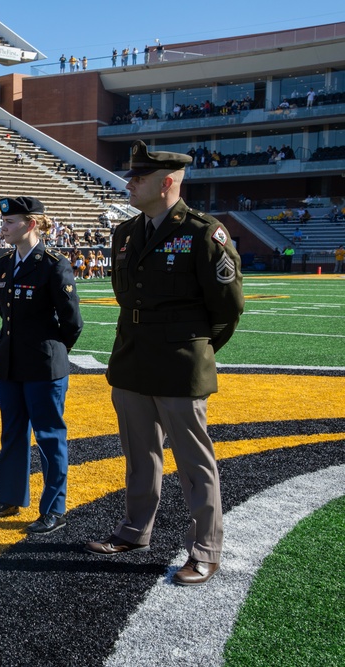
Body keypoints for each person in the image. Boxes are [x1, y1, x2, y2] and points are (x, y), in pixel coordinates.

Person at [85, 141, 244, 587]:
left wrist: (193, 350)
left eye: (139, 177)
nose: (129, 183)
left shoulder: (203, 233)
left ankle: (206, 550)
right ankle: (135, 532)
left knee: (194, 462)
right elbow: (125, 296)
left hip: (179, 364)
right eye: (131, 176)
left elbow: (228, 310)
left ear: (167, 182)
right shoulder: (127, 232)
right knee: (139, 456)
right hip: (134, 358)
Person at [0, 197, 83, 533]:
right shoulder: (6, 263)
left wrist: (51, 350)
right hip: (10, 362)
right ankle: (9, 498)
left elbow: (72, 322)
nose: (2, 227)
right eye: (2, 222)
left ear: (31, 224)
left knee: (49, 437)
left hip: (42, 364)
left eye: (10, 222)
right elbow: (5, 313)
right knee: (12, 434)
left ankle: (54, 508)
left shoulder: (53, 264)